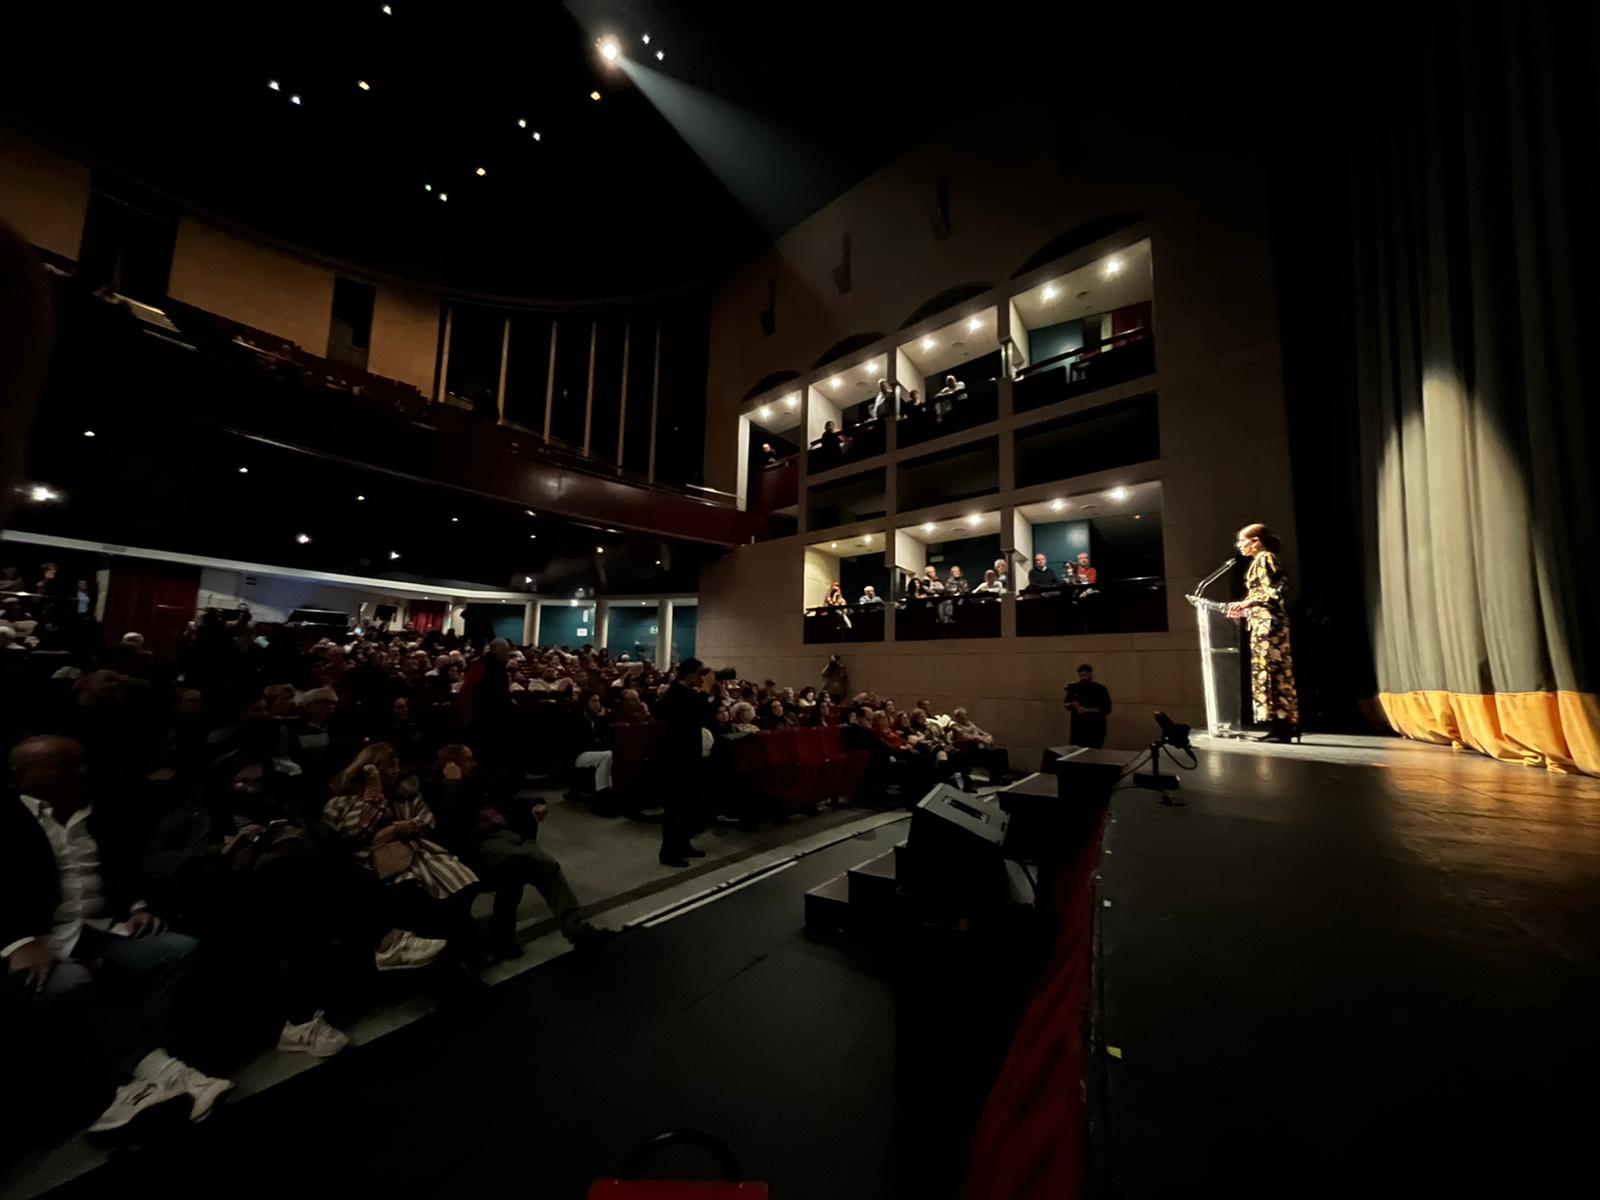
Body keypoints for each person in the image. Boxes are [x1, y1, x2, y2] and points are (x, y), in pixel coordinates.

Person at [3, 736, 235, 1134]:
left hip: (96, 929)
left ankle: (144, 1080)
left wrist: (137, 906)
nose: (80, 771)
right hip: (38, 939)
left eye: (80, 762)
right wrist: (19, 942)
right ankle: (170, 1078)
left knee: (179, 950)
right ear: (22, 776)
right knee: (69, 983)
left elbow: (123, 868)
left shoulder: (100, 810)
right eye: (63, 765)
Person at [426, 745, 604, 958]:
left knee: (547, 864)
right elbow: (449, 823)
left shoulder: (476, 779)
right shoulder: (438, 788)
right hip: (474, 844)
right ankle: (502, 935)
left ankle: (577, 928)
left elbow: (503, 798)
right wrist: (453, 783)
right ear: (451, 765)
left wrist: (534, 803)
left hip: (502, 833)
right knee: (524, 862)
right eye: (468, 760)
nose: (474, 764)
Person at [1227, 523, 1300, 742]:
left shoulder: (1265, 559)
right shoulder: (1259, 561)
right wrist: (1245, 608)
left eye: (1242, 540)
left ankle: (1284, 726)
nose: (1239, 545)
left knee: (1273, 673)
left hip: (1270, 626)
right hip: (1263, 624)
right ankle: (1281, 725)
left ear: (1256, 541)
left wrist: (1245, 604)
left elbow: (1274, 593)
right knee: (1271, 672)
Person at [654, 658, 716, 867]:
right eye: (699, 674)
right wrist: (706, 692)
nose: (702, 678)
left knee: (689, 804)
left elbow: (706, 716)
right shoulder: (675, 693)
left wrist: (714, 693)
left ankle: (684, 843)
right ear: (688, 674)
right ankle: (668, 852)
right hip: (676, 759)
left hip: (690, 755)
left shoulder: (689, 693)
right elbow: (692, 713)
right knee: (674, 808)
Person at [574, 692, 615, 798]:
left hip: (596, 752)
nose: (597, 704)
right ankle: (602, 792)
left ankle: (608, 791)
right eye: (593, 701)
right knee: (607, 755)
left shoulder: (597, 717)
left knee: (609, 756)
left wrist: (602, 718)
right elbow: (583, 741)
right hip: (579, 754)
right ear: (585, 703)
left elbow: (606, 735)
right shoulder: (577, 717)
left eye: (598, 701)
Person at [1065, 663, 1112, 748]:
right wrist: (1073, 704)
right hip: (1078, 729)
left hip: (1094, 729)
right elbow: (1067, 704)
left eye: (1085, 675)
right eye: (1081, 676)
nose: (1083, 678)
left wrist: (1087, 710)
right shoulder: (1074, 687)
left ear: (1090, 674)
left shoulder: (1100, 689)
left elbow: (1107, 709)